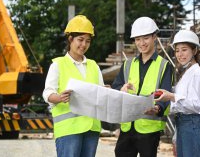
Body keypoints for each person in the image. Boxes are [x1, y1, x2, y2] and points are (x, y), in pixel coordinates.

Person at [42, 15, 105, 157]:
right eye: (80, 40)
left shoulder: (94, 66)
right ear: (70, 39)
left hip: (92, 128)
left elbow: (100, 92)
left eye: (88, 41)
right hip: (68, 130)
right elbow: (47, 93)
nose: (84, 45)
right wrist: (58, 97)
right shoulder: (57, 65)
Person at [112, 16, 173, 157]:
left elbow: (166, 94)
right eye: (138, 39)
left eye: (145, 38)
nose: (141, 43)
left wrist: (158, 108)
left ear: (154, 37)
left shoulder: (164, 65)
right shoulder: (127, 65)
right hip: (127, 127)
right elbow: (116, 87)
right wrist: (121, 89)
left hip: (149, 130)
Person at [155, 29, 200, 157]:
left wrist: (171, 96)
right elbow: (181, 103)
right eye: (177, 50)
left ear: (195, 50)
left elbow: (195, 105)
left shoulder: (197, 73)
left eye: (184, 49)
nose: (180, 54)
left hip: (192, 125)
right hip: (182, 124)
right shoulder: (187, 73)